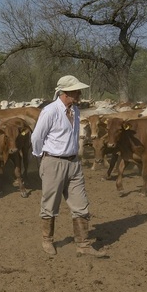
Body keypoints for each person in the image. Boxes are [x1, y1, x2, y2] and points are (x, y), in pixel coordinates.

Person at [31, 75, 106, 257]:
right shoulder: (50, 111)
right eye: (76, 91)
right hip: (53, 162)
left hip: (74, 163)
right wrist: (42, 158)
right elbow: (36, 137)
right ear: (65, 92)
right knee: (50, 204)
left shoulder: (76, 111)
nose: (79, 94)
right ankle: (47, 240)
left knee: (81, 204)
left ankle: (83, 244)